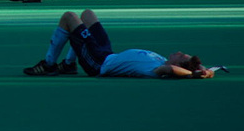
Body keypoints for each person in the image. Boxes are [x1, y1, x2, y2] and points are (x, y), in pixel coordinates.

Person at [23, 9, 214, 79]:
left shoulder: (157, 69)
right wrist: (201, 69)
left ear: (178, 64)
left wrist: (192, 74)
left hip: (99, 63)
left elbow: (172, 71)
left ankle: (49, 65)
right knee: (88, 14)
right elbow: (181, 67)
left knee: (69, 17)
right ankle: (69, 65)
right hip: (107, 53)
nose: (179, 52)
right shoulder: (161, 60)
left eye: (182, 56)